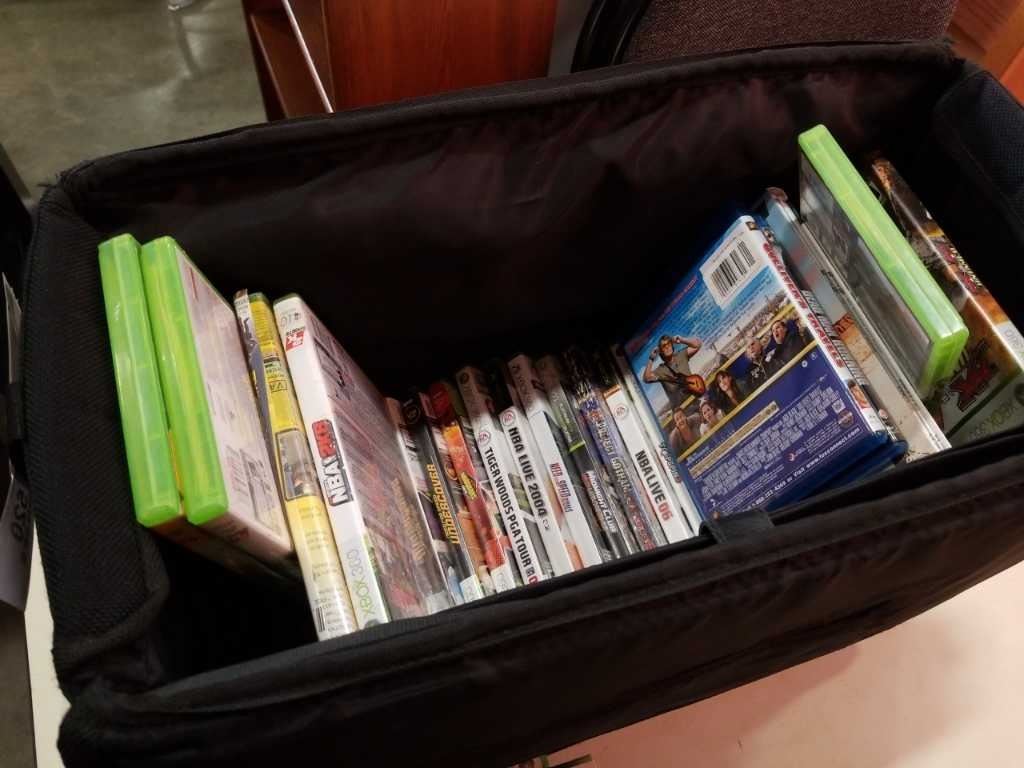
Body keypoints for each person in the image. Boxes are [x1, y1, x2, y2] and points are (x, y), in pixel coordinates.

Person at [642, 333, 704, 408]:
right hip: (682, 408)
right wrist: (651, 358)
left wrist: (682, 340)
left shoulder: (681, 355)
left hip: (695, 399)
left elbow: (698, 344)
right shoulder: (660, 370)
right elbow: (646, 378)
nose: (667, 347)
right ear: (661, 352)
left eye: (669, 343)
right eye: (664, 346)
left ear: (672, 345)